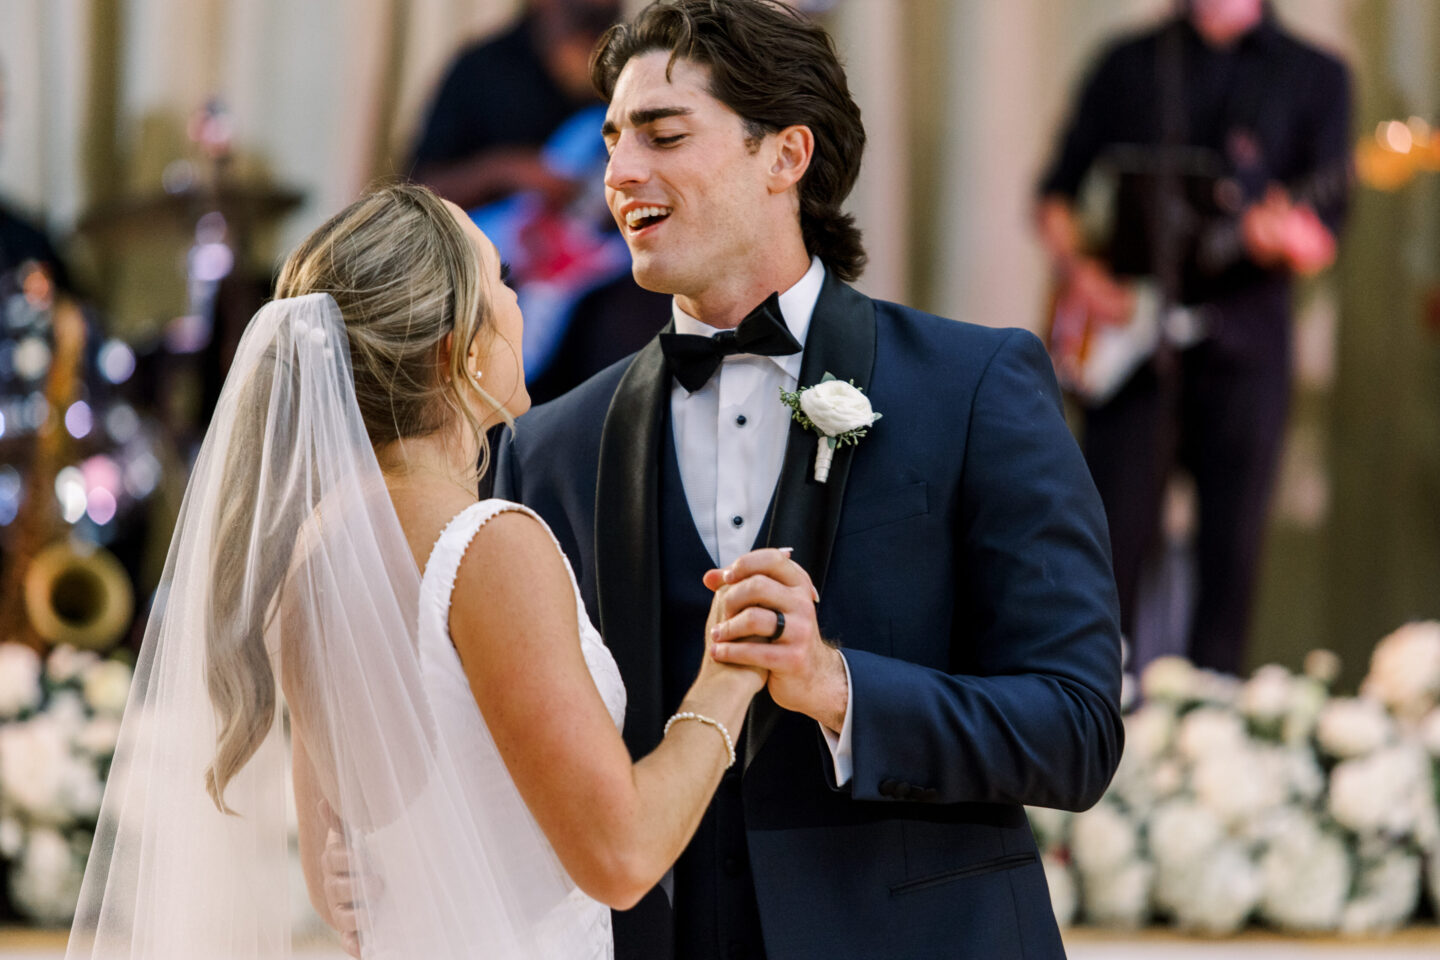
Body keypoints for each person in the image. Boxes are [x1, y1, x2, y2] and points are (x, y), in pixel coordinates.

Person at [332, 2, 1117, 958]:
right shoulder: (549, 449)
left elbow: (1077, 729)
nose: (617, 174)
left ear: (785, 155)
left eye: (663, 134)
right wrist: (390, 846)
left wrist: (837, 687)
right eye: (614, 139)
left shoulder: (977, 386)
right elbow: (523, 747)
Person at [64, 181, 776, 960]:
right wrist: (731, 674)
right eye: (501, 281)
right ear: (460, 354)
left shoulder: (314, 555)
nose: (518, 300)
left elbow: (334, 880)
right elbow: (621, 857)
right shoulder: (490, 547)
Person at [1034, 0, 1351, 676]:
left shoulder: (1314, 76)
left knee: (1229, 568)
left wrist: (1286, 236)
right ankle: (1090, 723)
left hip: (1244, 356)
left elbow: (1322, 237)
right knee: (1102, 559)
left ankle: (1211, 743)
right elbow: (1056, 193)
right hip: (1130, 353)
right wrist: (1081, 276)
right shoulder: (1132, 62)